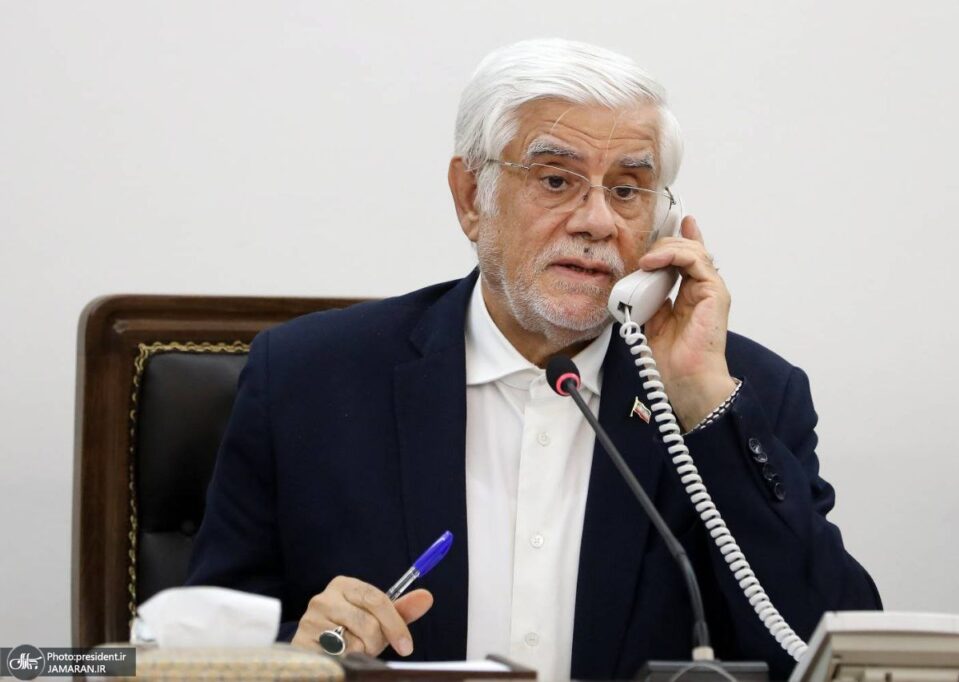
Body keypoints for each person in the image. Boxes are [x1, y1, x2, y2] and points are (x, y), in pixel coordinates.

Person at [186, 38, 881, 681]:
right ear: (471, 197)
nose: (597, 221)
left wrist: (703, 406)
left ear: (661, 222)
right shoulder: (308, 380)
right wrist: (300, 654)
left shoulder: (744, 395)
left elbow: (829, 655)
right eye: (555, 180)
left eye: (627, 189)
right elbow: (189, 654)